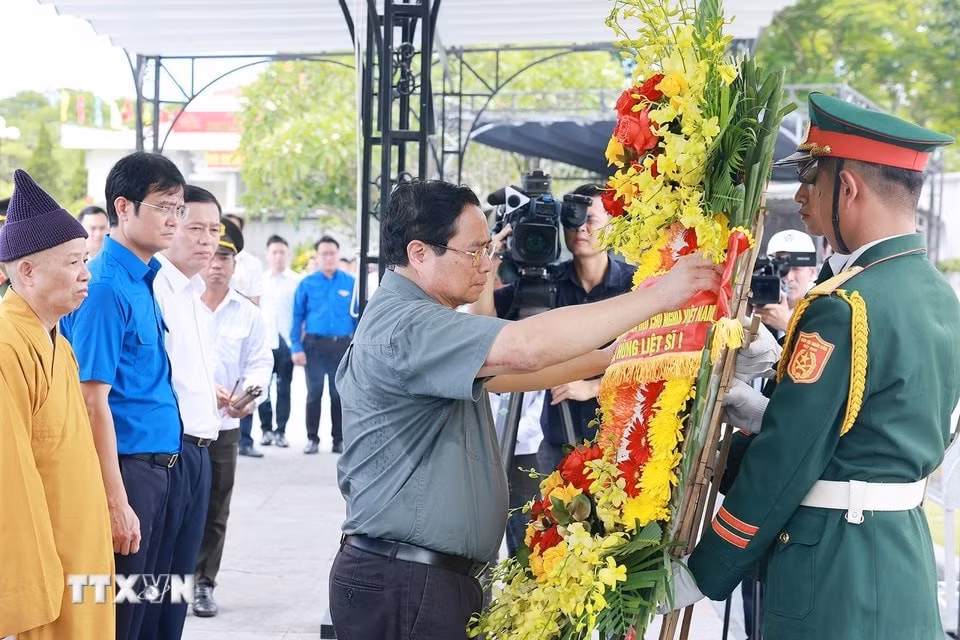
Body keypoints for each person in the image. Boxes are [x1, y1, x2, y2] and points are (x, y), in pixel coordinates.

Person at [329, 179, 721, 639]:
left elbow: (519, 375)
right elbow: (524, 348)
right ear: (419, 253)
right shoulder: (409, 324)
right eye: (473, 252)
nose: (485, 266)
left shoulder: (419, 321)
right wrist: (659, 297)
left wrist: (635, 352)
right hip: (406, 581)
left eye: (487, 251)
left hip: (419, 578)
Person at [670, 92, 960, 640]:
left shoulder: (843, 306)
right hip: (900, 555)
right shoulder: (935, 294)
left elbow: (788, 460)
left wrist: (703, 573)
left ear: (847, 188)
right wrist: (766, 414)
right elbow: (875, 431)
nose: (802, 197)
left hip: (834, 570)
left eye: (813, 180)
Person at [61, 151, 186, 640]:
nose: (174, 219)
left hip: (160, 469)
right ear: (124, 207)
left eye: (179, 207)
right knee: (119, 612)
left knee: (151, 604)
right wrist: (116, 500)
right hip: (128, 472)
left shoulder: (144, 277)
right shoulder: (107, 284)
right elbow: (93, 399)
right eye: (164, 206)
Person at [0, 169, 114, 639]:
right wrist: (29, 589)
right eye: (73, 262)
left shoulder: (60, 343)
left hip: (82, 553)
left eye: (85, 259)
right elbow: (11, 481)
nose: (86, 272)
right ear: (27, 270)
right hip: (45, 567)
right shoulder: (7, 345)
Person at [470, 183, 636, 473]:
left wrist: (594, 387)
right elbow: (483, 328)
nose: (580, 228)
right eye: (573, 218)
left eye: (591, 219)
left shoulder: (635, 286)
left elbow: (653, 356)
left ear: (614, 225)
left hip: (623, 437)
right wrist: (491, 257)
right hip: (559, 446)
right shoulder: (546, 283)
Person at [139, 184, 222, 640]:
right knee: (148, 582)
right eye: (195, 228)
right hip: (165, 454)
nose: (207, 239)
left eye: (214, 229)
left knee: (177, 579)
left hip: (200, 453)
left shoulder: (194, 296)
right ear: (170, 225)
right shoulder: (155, 289)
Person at [193, 217, 274, 617]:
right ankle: (169, 585)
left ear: (235, 263)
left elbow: (261, 365)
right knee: (177, 508)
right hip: (182, 427)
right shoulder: (178, 302)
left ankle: (204, 584)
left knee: (215, 509)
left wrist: (249, 397)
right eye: (212, 255)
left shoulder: (247, 314)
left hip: (225, 427)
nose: (217, 264)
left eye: (226, 256)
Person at [291, 234, 357, 455]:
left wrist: (357, 347)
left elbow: (358, 317)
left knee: (338, 395)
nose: (328, 257)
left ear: (338, 255)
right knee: (314, 393)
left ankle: (338, 440)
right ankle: (312, 439)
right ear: (317, 257)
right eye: (324, 254)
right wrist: (296, 348)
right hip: (314, 346)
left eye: (332, 253)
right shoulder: (307, 284)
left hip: (342, 347)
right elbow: (297, 317)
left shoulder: (350, 283)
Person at [257, 234, 301, 451]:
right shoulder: (260, 281)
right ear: (268, 255)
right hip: (264, 341)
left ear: (288, 254)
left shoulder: (297, 281)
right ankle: (265, 429)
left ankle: (281, 430)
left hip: (287, 342)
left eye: (282, 252)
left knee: (284, 388)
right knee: (262, 387)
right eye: (274, 252)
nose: (278, 256)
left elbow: (301, 314)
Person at [754, 229, 818, 333]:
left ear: (811, 272)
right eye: (781, 269)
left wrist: (788, 325)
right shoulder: (757, 306)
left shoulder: (821, 311)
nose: (789, 277)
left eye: (797, 269)